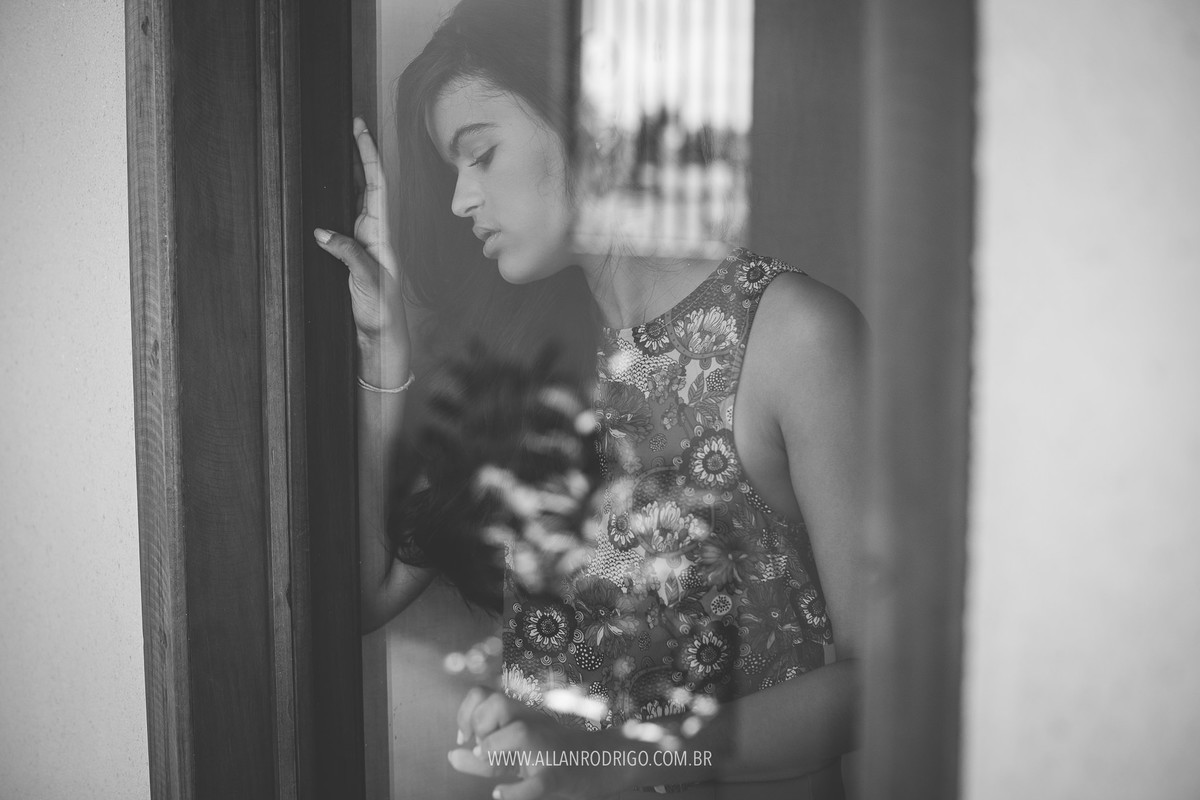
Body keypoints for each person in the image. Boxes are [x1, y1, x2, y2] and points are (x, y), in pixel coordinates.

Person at [314, 1, 864, 797]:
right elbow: (368, 594)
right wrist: (381, 347)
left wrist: (609, 759)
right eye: (453, 172)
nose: (461, 201)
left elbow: (883, 684)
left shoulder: (790, 338)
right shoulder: (518, 371)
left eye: (481, 156)